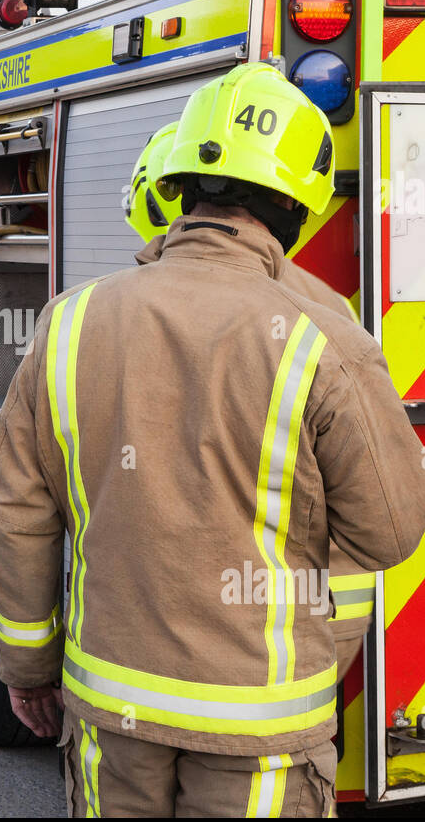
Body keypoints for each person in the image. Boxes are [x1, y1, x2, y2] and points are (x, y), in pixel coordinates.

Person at [0, 64, 425, 818]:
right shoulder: (326, 340)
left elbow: (17, 514)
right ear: (299, 201)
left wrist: (27, 668)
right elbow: (390, 530)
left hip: (110, 710)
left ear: (185, 179)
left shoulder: (68, 322)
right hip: (258, 730)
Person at [125, 122, 375, 680]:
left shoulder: (101, 318)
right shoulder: (328, 310)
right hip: (310, 628)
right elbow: (378, 510)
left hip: (192, 645)